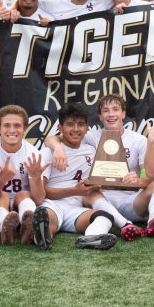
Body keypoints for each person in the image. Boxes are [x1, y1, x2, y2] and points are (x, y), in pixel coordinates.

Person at [48, 95, 154, 240]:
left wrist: (138, 181)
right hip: (100, 199)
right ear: (100, 116)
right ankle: (124, 225)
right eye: (106, 111)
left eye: (115, 109)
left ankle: (153, 221)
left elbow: (149, 176)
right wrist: (57, 147)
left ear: (123, 113)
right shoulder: (90, 137)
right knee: (88, 191)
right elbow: (54, 138)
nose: (111, 114)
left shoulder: (138, 140)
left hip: (132, 200)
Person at [33, 103, 120, 250]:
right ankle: (42, 237)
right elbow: (42, 193)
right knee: (46, 218)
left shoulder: (91, 151)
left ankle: (90, 238)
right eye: (70, 124)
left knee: (105, 217)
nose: (75, 129)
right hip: (53, 204)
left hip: (76, 208)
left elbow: (102, 178)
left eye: (80, 124)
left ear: (87, 128)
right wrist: (75, 191)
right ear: (60, 128)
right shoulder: (49, 152)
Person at [0, 105, 46, 245]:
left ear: (25, 129)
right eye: (7, 125)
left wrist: (35, 177)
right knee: (2, 195)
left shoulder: (34, 154)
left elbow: (39, 199)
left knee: (23, 194)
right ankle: (5, 226)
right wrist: (3, 179)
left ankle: (29, 224)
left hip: (21, 203)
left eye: (17, 126)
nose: (12, 130)